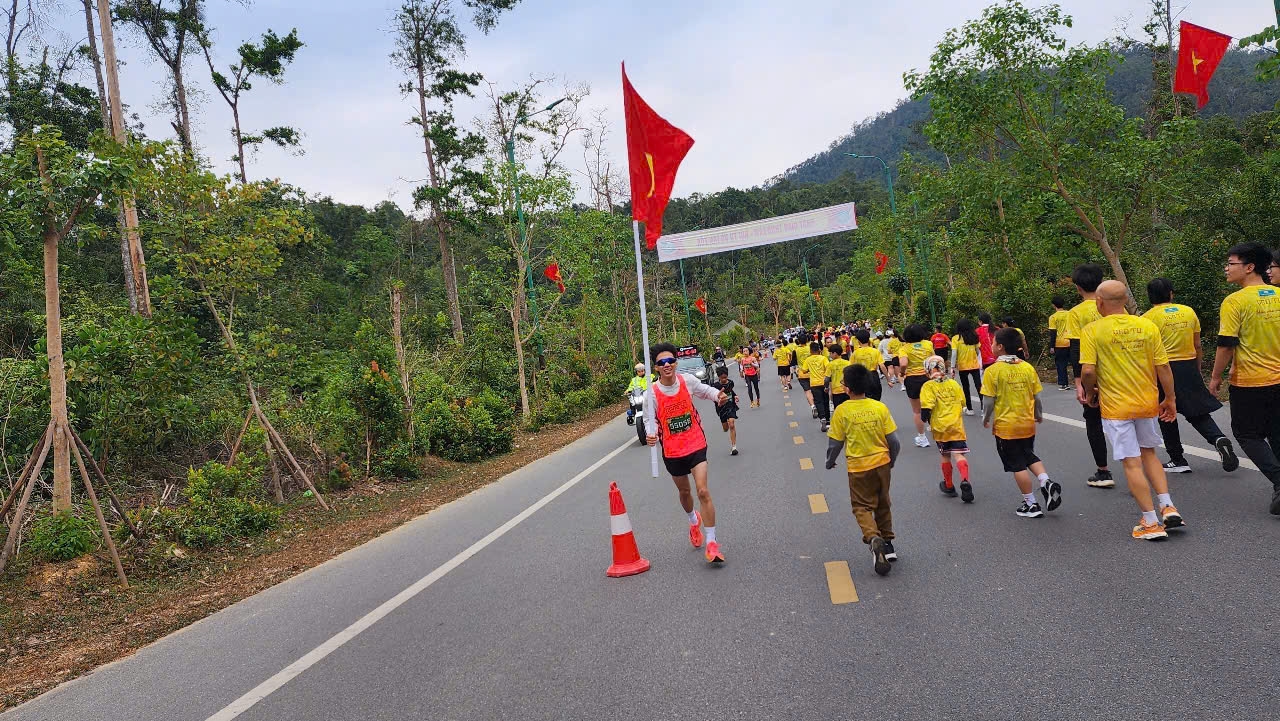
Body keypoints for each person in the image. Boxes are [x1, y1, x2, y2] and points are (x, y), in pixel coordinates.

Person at [1081, 281, 1183, 541]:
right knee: (1149, 453)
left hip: (1117, 407)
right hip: (1147, 402)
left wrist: (1091, 392)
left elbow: (1089, 371)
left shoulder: (1093, 330)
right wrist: (1169, 398)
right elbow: (1163, 367)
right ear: (1126, 299)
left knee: (1131, 462)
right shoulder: (1148, 326)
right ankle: (1167, 505)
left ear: (1099, 302)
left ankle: (1150, 523)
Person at [1209, 243, 1280, 515]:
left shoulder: (1235, 301)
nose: (1226, 268)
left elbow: (1226, 344)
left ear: (1250, 267)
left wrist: (1215, 378)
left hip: (1251, 381)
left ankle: (1279, 481)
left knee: (1247, 434)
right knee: (1276, 432)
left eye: (1231, 263)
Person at [643, 343, 729, 563]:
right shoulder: (651, 393)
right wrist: (651, 433)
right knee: (685, 493)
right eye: (662, 363)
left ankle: (712, 543)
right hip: (672, 451)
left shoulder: (687, 381)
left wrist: (717, 396)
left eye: (670, 361)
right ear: (656, 368)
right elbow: (648, 420)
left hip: (695, 443)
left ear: (676, 363)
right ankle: (693, 520)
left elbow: (704, 390)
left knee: (702, 491)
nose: (667, 365)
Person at [1142, 278, 1238, 474]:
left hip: (1163, 369)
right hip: (1188, 365)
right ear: (1171, 293)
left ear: (1150, 296)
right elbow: (1197, 345)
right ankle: (1218, 438)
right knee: (1197, 412)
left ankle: (1177, 459)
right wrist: (1197, 367)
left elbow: (1146, 352)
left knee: (1166, 413)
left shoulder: (1147, 319)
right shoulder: (1188, 311)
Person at [825, 364, 901, 576]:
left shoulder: (842, 411)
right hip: (882, 463)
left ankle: (872, 536)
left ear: (847, 388)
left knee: (861, 506)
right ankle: (888, 544)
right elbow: (894, 441)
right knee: (883, 501)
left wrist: (830, 461)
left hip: (858, 466)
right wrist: (891, 461)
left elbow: (835, 443)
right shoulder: (879, 407)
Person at [981, 328, 1062, 518]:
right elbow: (1037, 397)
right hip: (1027, 423)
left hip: (1006, 426)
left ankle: (1031, 504)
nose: (991, 345)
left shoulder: (992, 371)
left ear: (1000, 347)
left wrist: (985, 418)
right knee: (1028, 454)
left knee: (1017, 465)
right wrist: (1038, 414)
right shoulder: (1027, 367)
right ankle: (1045, 482)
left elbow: (989, 401)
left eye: (993, 343)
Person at [1063, 263, 1113, 489]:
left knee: (1093, 420)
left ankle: (1103, 472)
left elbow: (1075, 348)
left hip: (1090, 372)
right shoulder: (1114, 305)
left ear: (1077, 288)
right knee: (1126, 421)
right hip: (1119, 372)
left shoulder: (1076, 313)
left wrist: (1078, 382)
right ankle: (1138, 470)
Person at [920, 355, 974, 502]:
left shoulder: (928, 386)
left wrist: (924, 419)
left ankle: (949, 485)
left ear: (927, 371)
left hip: (940, 427)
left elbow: (926, 407)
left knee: (945, 455)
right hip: (956, 425)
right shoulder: (954, 384)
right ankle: (965, 480)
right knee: (959, 454)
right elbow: (963, 401)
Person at [897, 324, 934, 448]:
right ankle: (938, 431)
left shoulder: (904, 348)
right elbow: (933, 360)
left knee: (917, 411)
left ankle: (922, 438)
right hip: (928, 378)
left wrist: (902, 373)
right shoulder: (928, 344)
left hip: (912, 379)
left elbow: (903, 363)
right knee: (931, 406)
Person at [950, 319, 983, 415]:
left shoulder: (956, 338)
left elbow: (954, 353)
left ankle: (970, 409)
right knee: (978, 386)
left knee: (966, 387)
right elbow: (978, 351)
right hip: (974, 365)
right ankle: (982, 408)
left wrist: (952, 367)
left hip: (962, 366)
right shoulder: (974, 336)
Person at [710, 367, 740, 456]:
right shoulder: (715, 386)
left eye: (725, 377)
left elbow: (731, 391)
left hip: (730, 405)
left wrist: (735, 396)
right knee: (726, 428)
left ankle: (734, 447)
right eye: (722, 378)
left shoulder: (731, 383)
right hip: (721, 408)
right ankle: (725, 425)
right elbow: (712, 396)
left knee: (731, 423)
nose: (724, 379)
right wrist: (718, 400)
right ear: (718, 377)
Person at [804, 341, 831, 430]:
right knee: (826, 401)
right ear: (819, 349)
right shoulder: (823, 358)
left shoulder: (808, 359)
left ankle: (822, 418)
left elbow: (804, 370)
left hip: (814, 384)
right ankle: (827, 421)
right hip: (823, 382)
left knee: (818, 401)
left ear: (811, 350)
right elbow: (828, 367)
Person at [852, 329, 886, 401]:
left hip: (861, 377)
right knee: (876, 398)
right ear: (868, 339)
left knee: (865, 399)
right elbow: (882, 366)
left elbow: (852, 368)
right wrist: (888, 379)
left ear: (858, 341)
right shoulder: (875, 351)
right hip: (874, 376)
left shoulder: (855, 353)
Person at [1048, 297, 1072, 391]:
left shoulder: (1053, 317)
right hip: (1071, 341)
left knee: (1061, 364)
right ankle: (1080, 383)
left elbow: (1053, 332)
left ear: (1054, 305)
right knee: (1075, 363)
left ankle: (1064, 384)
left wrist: (1052, 346)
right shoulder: (1070, 314)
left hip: (1059, 343)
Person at [825, 343, 852, 412]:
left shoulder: (830, 365)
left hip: (836, 391)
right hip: (847, 390)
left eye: (830, 353)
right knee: (848, 409)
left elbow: (827, 379)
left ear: (835, 353)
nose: (830, 355)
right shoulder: (848, 363)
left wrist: (826, 387)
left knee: (839, 410)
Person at [795, 338, 815, 417]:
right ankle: (817, 403)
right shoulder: (810, 348)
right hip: (812, 372)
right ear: (806, 340)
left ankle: (813, 406)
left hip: (802, 373)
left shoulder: (796, 350)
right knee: (814, 390)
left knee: (807, 391)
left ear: (799, 341)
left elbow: (793, 361)